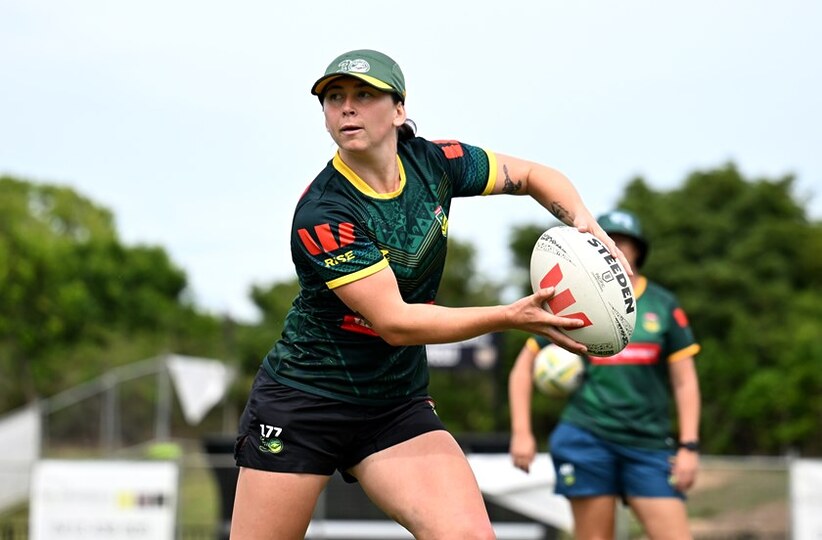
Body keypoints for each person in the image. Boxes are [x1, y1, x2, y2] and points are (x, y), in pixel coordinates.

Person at [230, 48, 630, 540]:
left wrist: (583, 223)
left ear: (399, 110)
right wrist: (510, 315)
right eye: (335, 98)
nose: (347, 108)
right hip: (303, 402)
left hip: (393, 406)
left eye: (364, 95)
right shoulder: (325, 211)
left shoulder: (435, 163)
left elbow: (531, 175)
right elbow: (396, 323)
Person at [509, 209, 702, 539]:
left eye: (625, 243)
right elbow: (522, 368)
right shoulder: (573, 298)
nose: (618, 248)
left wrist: (689, 446)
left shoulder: (662, 304)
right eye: (609, 241)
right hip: (587, 437)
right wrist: (522, 432)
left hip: (648, 442)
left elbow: (685, 381)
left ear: (638, 250)